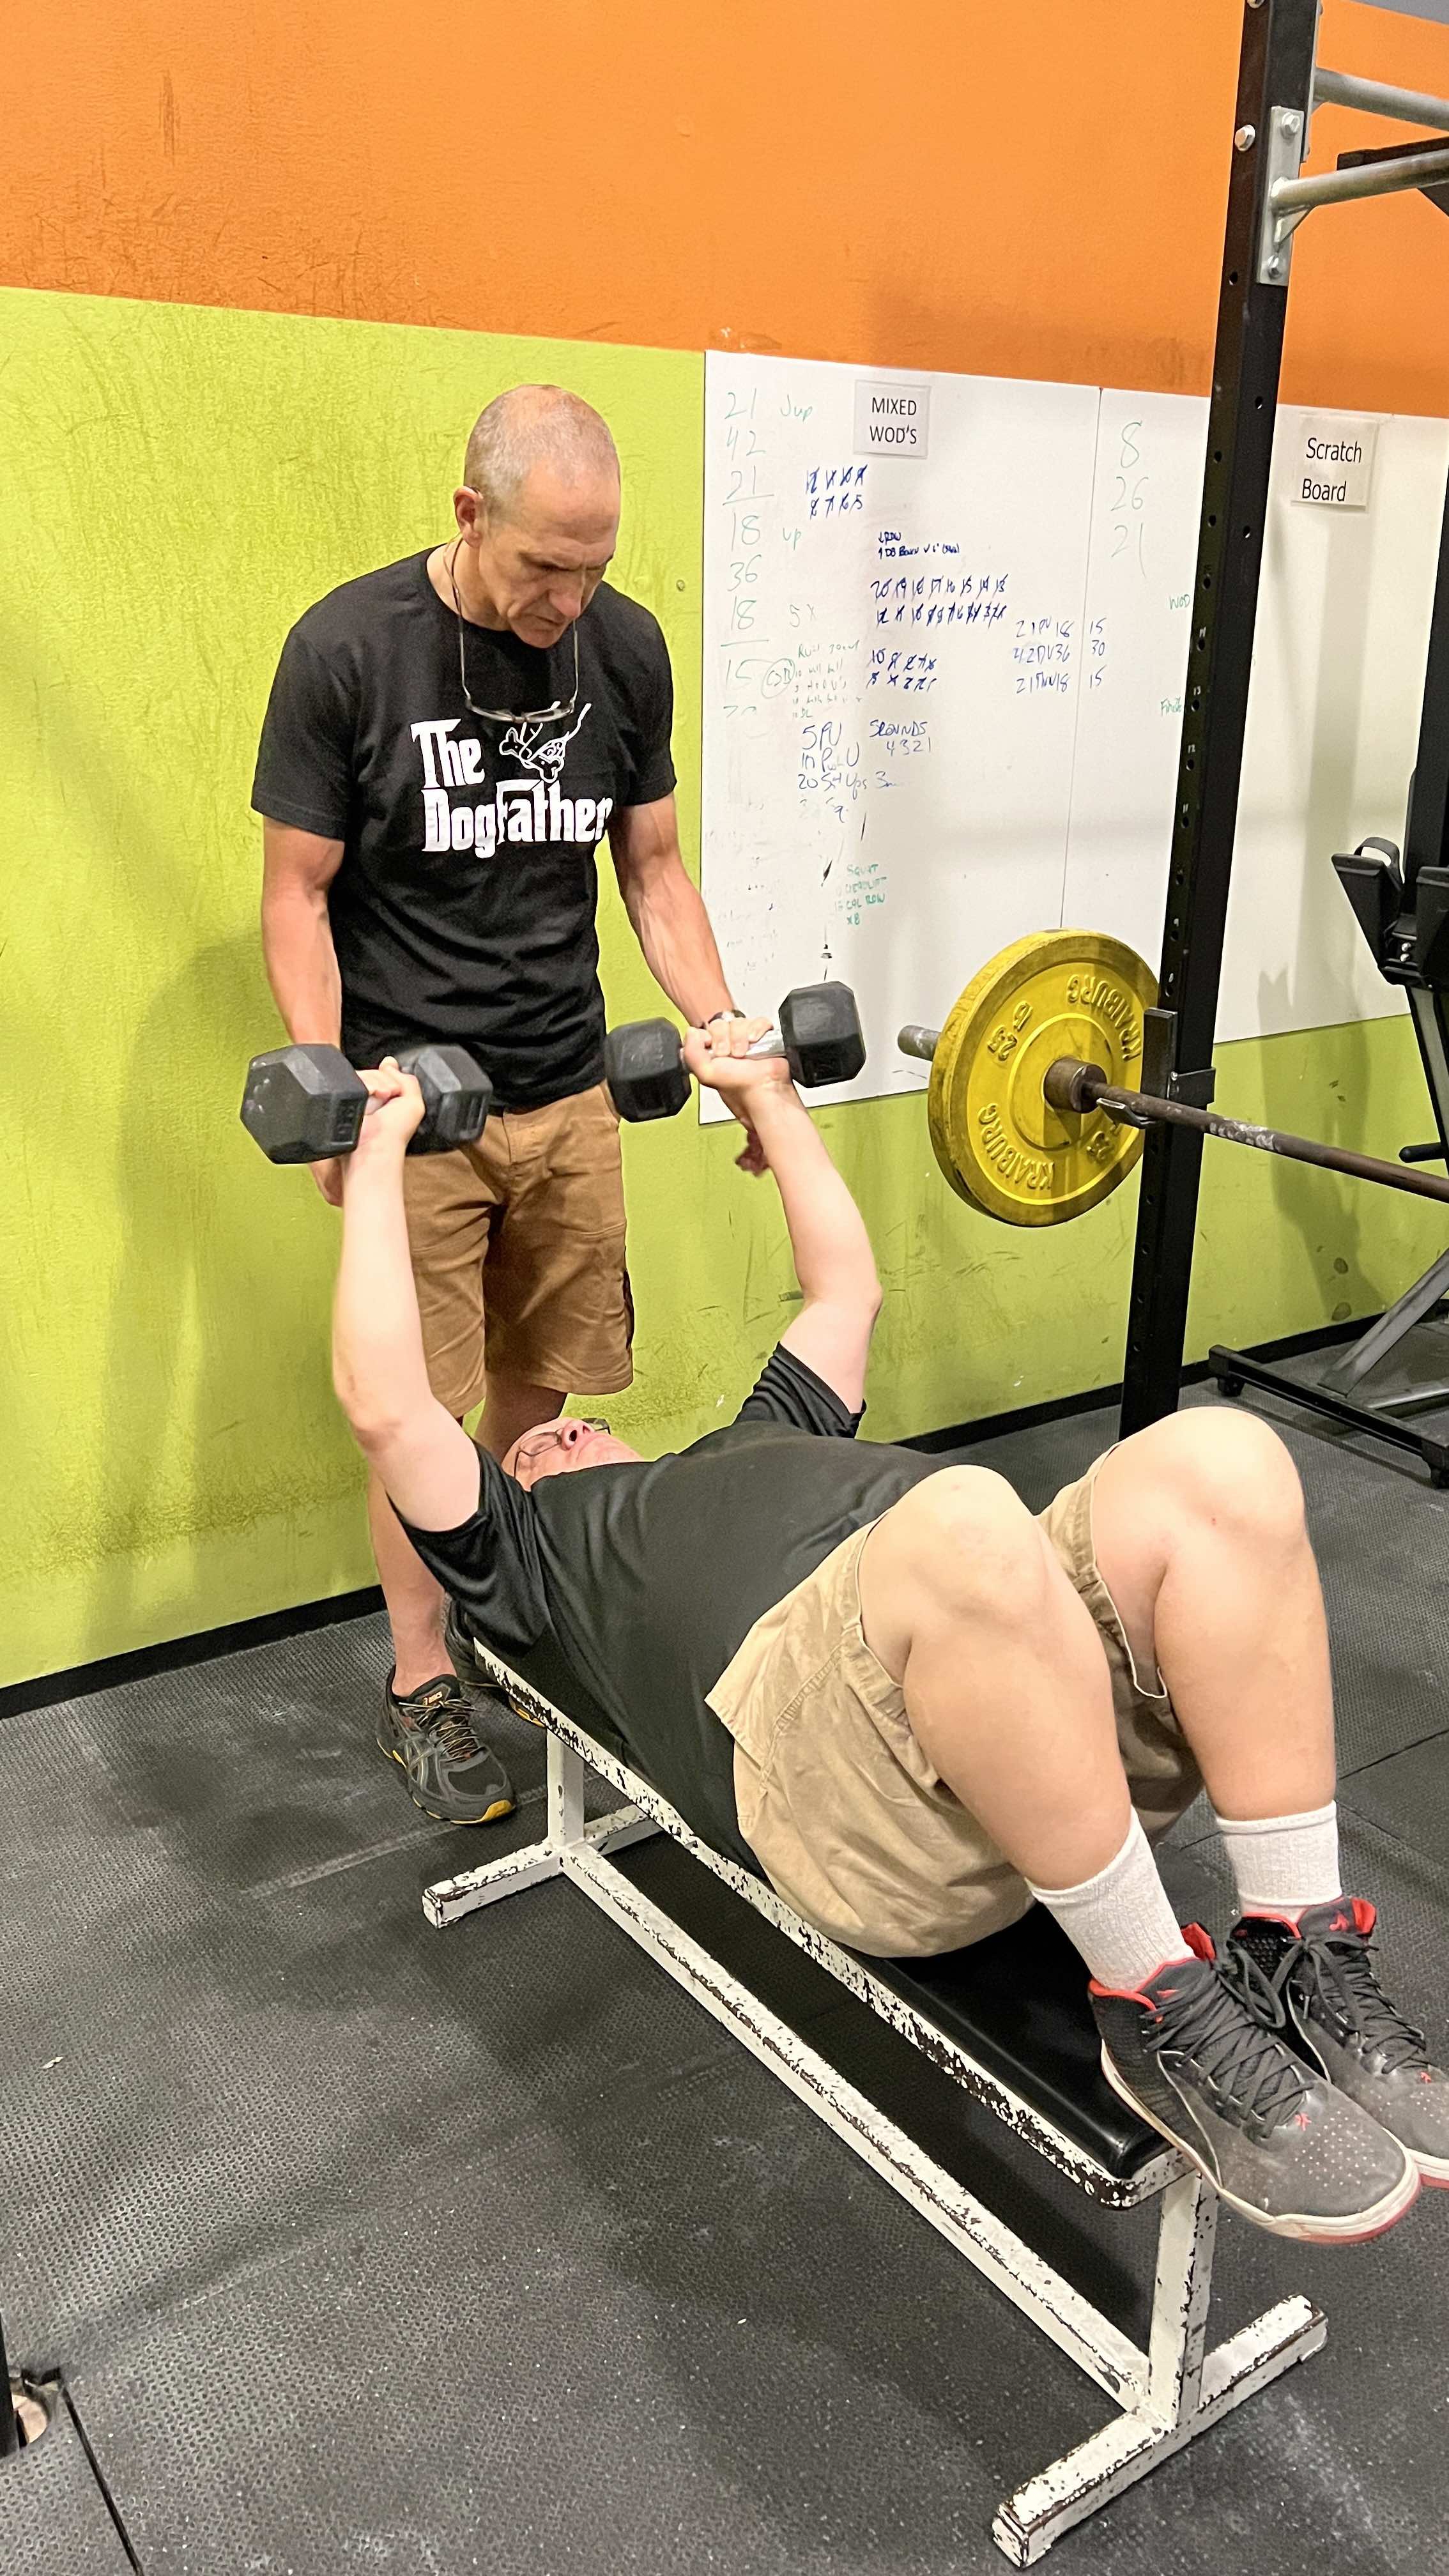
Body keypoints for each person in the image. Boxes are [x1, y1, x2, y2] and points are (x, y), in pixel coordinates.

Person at [330, 1027, 1449, 2244]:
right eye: (524, 1452)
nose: (548, 1434)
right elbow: (390, 1407)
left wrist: (767, 1099)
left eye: (564, 1426)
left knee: (1224, 1459)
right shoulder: (526, 1560)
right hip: (844, 1796)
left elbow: (845, 1291)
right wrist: (381, 1155)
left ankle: (1300, 1942)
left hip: (1014, 1689)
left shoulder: (755, 1437)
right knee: (966, 1519)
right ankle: (1153, 2001)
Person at [253, 383, 750, 1828]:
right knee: (421, 1408)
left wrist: (721, 1030)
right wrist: (330, 1087)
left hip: (569, 1084)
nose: (568, 600)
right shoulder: (350, 650)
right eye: (545, 566)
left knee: (544, 1381)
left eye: (594, 567)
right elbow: (297, 894)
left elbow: (652, 869)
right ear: (471, 514)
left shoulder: (624, 648)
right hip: (418, 1107)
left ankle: (501, 1620)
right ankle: (422, 1682)